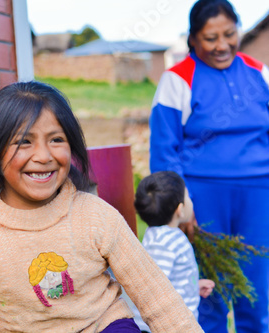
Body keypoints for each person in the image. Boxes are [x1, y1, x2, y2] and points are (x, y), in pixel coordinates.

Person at [0, 81, 203, 332]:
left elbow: (159, 299)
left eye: (56, 139)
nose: (43, 156)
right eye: (24, 142)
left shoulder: (96, 215)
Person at [149, 0, 269, 331]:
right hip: (201, 198)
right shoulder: (177, 80)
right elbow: (164, 150)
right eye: (210, 38)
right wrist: (179, 205)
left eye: (230, 34)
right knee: (209, 289)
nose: (222, 46)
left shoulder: (260, 74)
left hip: (259, 194)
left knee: (257, 289)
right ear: (193, 39)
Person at [130, 171, 215, 332]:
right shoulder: (164, 242)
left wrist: (191, 286)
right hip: (172, 326)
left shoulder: (158, 234)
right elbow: (154, 290)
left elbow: (166, 280)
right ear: (180, 209)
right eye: (187, 197)